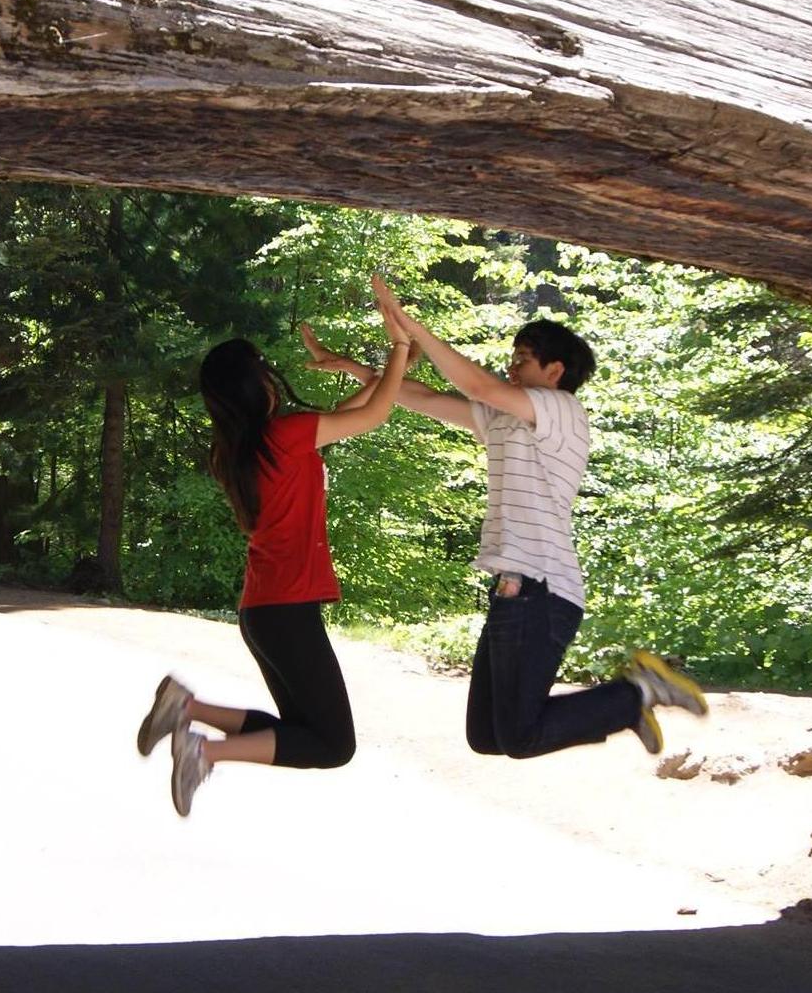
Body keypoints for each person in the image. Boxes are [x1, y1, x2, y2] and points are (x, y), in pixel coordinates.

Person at [300, 273, 708, 764]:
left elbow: (477, 384)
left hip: (543, 587)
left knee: (518, 735)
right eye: (511, 359)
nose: (511, 367)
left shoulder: (561, 409)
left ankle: (635, 694)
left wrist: (410, 328)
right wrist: (353, 366)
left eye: (523, 359)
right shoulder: (505, 417)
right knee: (487, 735)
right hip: (517, 586)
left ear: (556, 370)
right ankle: (622, 706)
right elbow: (422, 397)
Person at [136, 298, 414, 816]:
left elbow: (353, 409)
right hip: (284, 611)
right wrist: (398, 346)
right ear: (256, 384)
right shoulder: (285, 436)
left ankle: (186, 708)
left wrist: (390, 363)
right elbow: (373, 415)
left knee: (303, 734)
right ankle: (202, 749)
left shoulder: (241, 449)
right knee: (333, 745)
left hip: (265, 612)